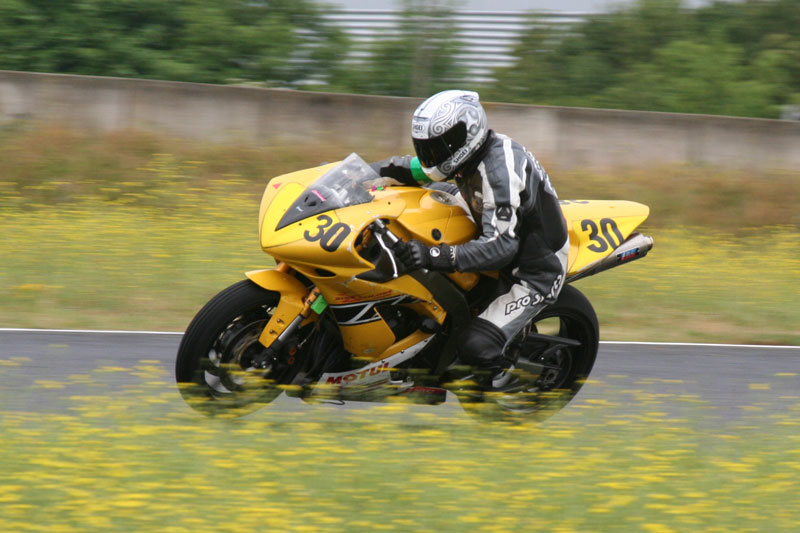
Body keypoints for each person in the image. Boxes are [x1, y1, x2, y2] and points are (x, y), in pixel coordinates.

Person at [376, 89, 570, 390]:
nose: (430, 156)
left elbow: (502, 247)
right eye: (426, 148)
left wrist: (433, 256)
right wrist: (352, 175)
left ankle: (506, 383)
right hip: (486, 223)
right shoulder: (463, 157)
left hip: (532, 271)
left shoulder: (499, 173)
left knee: (475, 348)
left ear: (467, 134)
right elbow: (406, 169)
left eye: (437, 147)